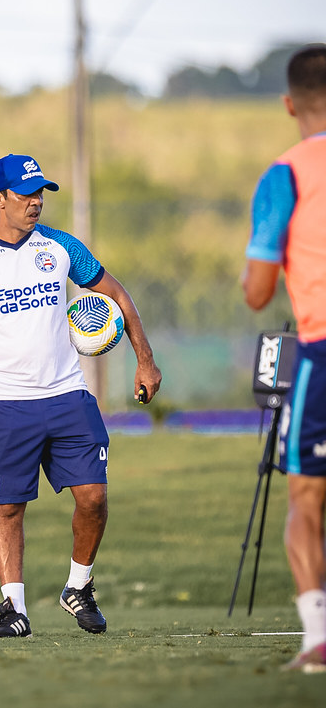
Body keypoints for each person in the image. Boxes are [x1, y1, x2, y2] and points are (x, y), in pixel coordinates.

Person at [0, 153, 161, 638]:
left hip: (68, 396)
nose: (36, 202)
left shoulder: (62, 248)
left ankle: (78, 587)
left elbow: (119, 295)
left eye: (41, 193)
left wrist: (145, 358)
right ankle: (13, 610)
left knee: (94, 497)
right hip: (4, 402)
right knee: (8, 509)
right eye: (26, 194)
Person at [243, 43, 326, 673]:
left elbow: (259, 292)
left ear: (288, 103)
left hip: (320, 353)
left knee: (305, 498)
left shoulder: (286, 176)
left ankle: (318, 636)